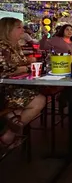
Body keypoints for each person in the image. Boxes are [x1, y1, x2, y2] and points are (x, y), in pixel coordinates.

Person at [0, 17, 46, 149]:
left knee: (40, 93)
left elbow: (17, 64)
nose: (23, 31)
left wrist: (28, 61)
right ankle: (9, 134)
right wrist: (26, 66)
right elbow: (6, 69)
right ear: (8, 29)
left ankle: (13, 115)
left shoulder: (14, 46)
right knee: (39, 101)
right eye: (19, 27)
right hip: (4, 90)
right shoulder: (2, 47)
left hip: (15, 86)